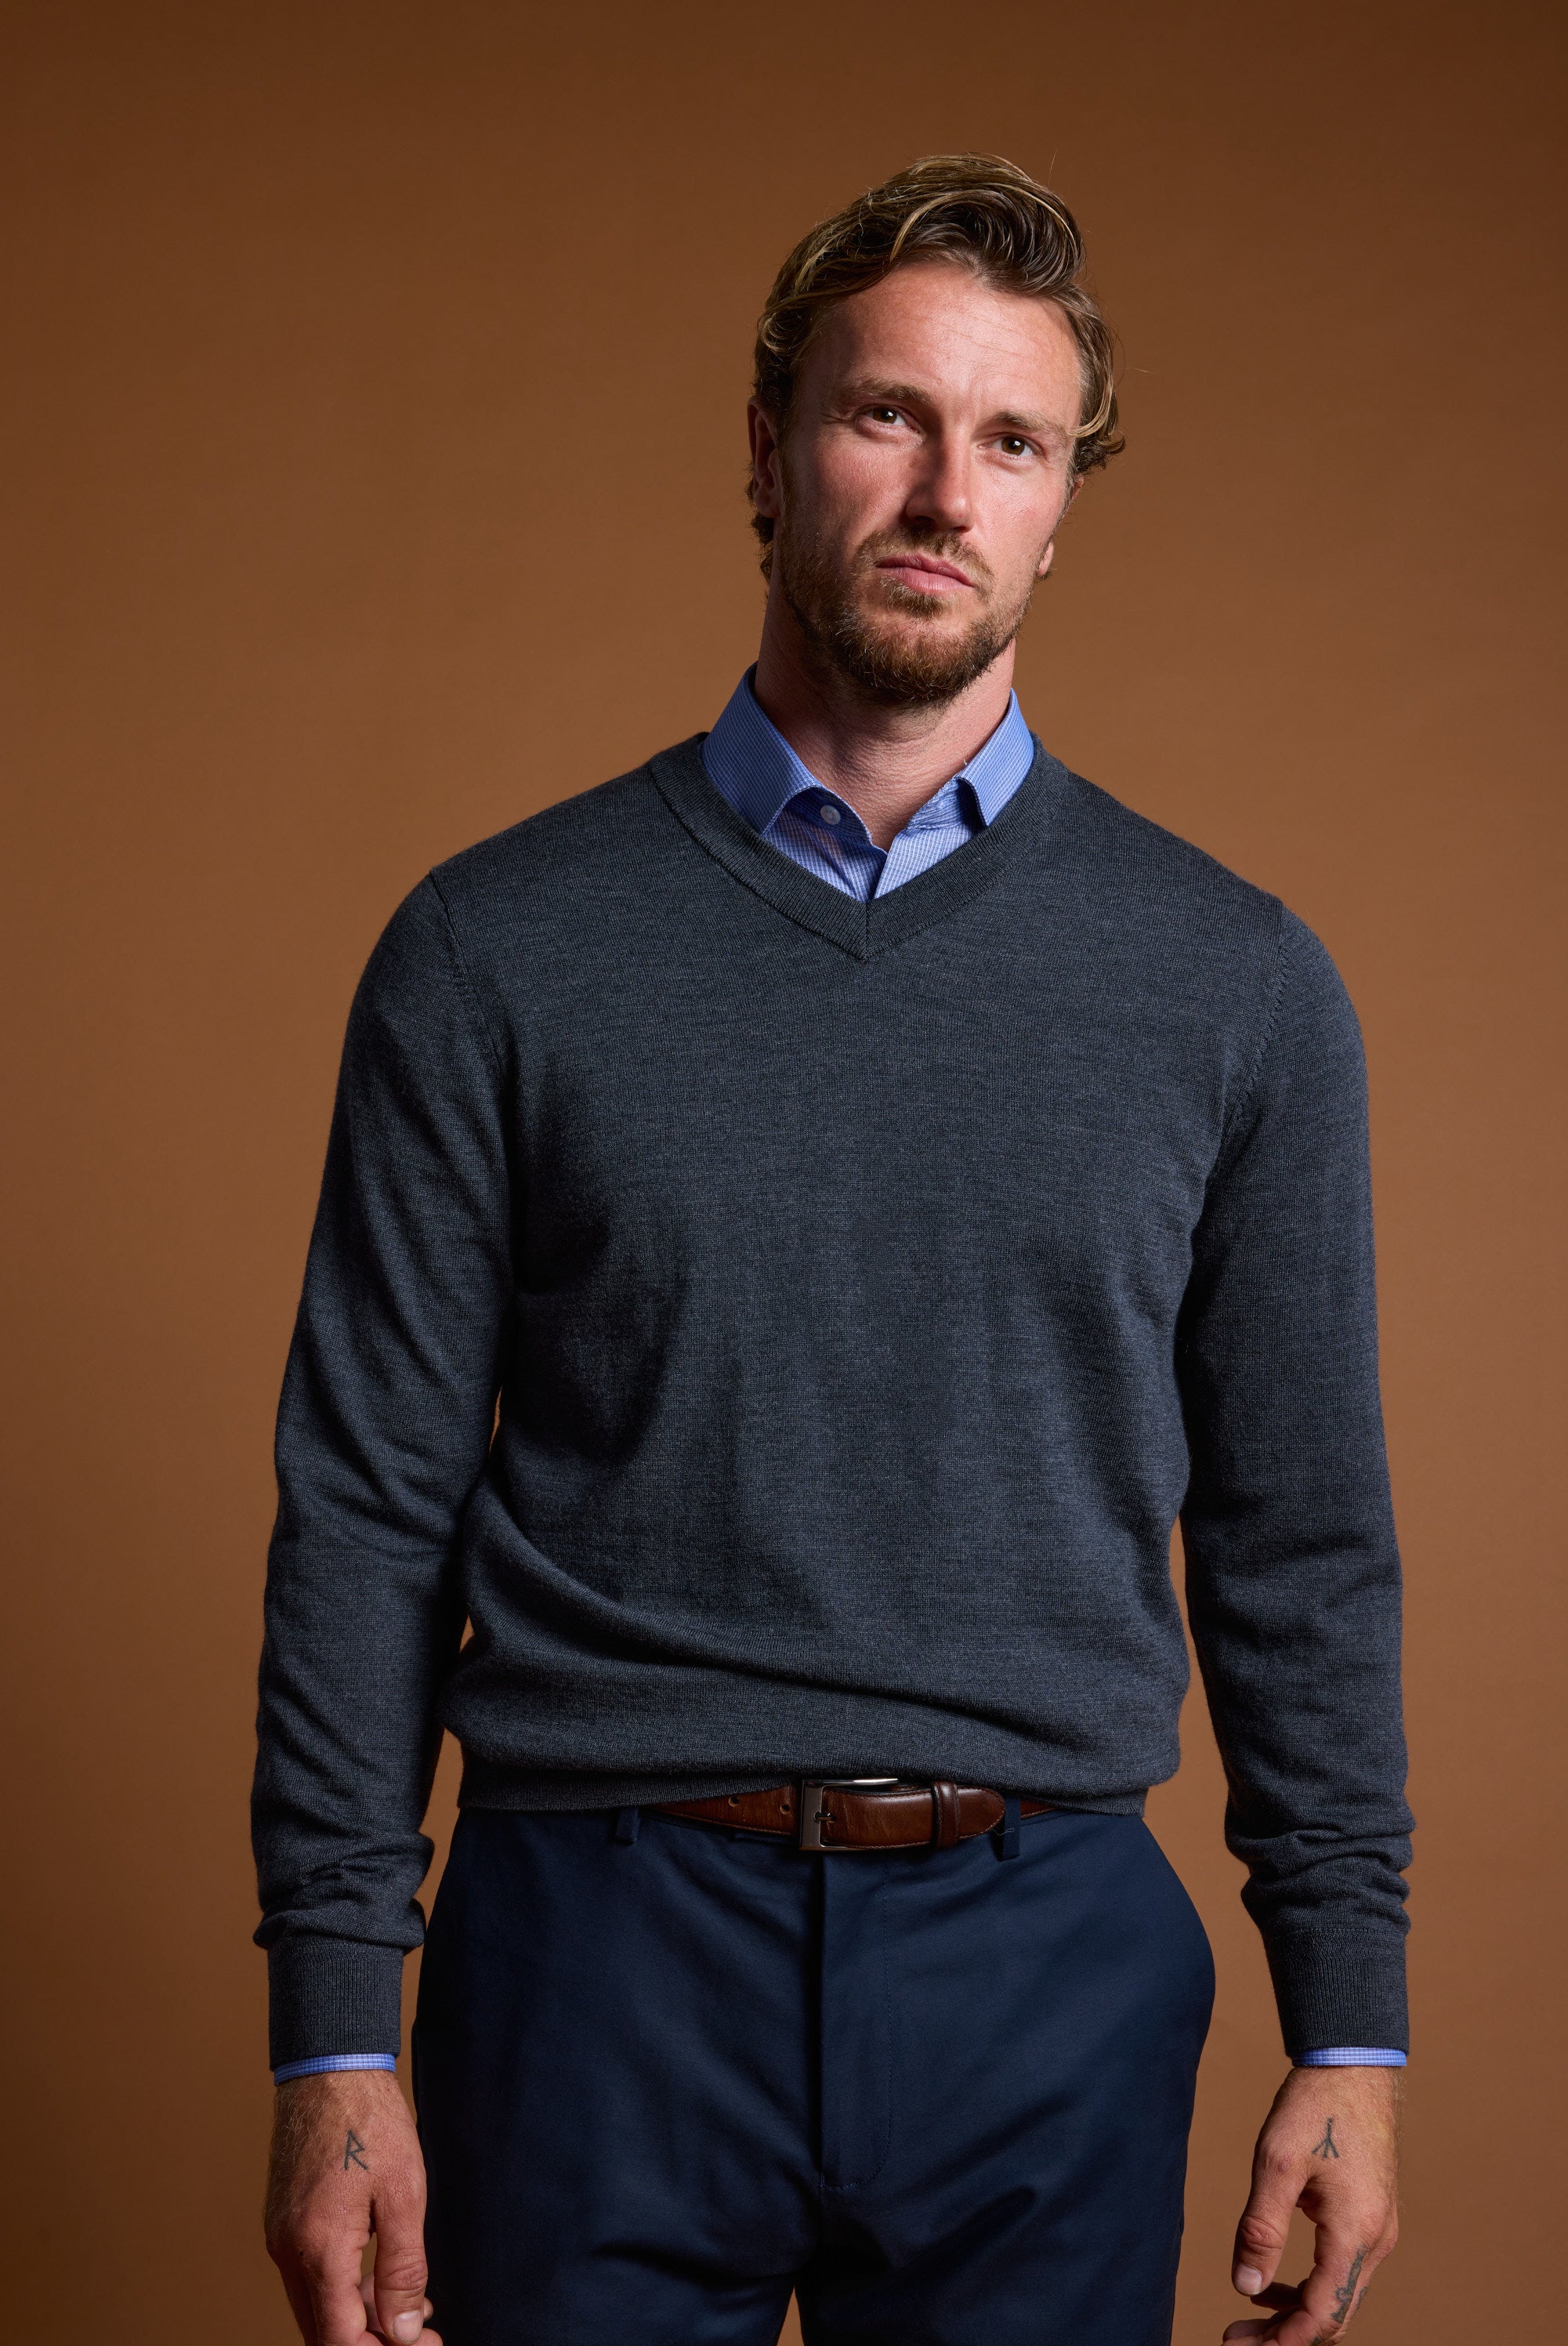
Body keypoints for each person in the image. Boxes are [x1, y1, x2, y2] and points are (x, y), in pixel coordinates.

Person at [255, 154, 1411, 2346]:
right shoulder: (493, 951)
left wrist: (1346, 2024)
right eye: (887, 416)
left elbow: (1299, 1539)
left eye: (1011, 442)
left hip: (1043, 1949)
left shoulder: (1234, 984)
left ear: (1064, 503)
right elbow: (367, 1513)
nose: (943, 491)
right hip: (591, 1952)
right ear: (770, 445)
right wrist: (333, 2034)